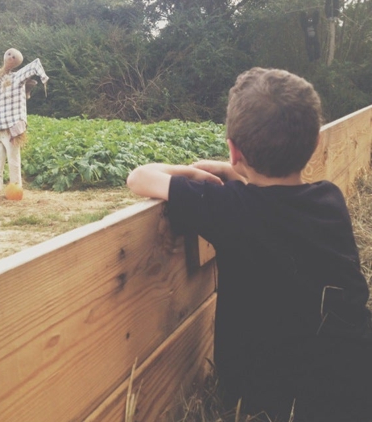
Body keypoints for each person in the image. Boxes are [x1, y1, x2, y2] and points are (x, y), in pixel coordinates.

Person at [126, 67, 372, 422]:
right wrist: (236, 173)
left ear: (233, 149)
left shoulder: (231, 208)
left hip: (271, 402)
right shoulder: (330, 199)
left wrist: (198, 176)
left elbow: (139, 177)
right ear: (316, 142)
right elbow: (274, 205)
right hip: (354, 382)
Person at [0, 48, 49, 192]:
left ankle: (15, 188)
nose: (11, 57)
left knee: (13, 161)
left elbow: (34, 65)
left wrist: (43, 78)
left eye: (14, 56)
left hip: (11, 128)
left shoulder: (17, 77)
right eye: (9, 54)